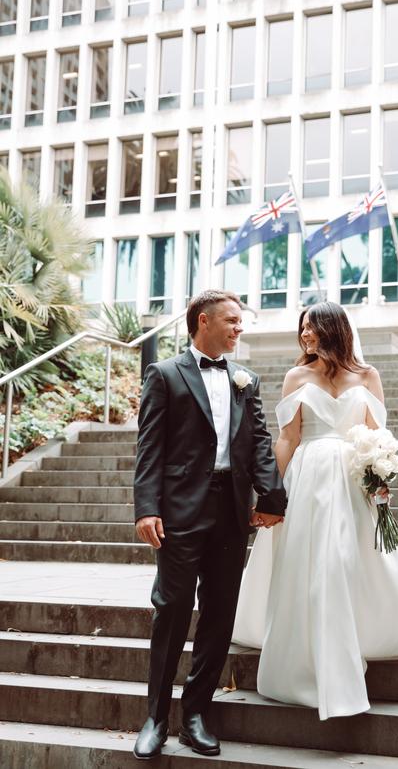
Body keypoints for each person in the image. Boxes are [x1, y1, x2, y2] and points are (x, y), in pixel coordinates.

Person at [233, 300, 398, 720]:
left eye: (312, 328)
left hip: (353, 480)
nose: (305, 336)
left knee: (343, 560)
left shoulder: (367, 375)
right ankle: (308, 659)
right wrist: (269, 495)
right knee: (312, 564)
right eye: (301, 329)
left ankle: (346, 641)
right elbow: (287, 439)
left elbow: (378, 435)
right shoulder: (295, 376)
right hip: (308, 481)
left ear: (333, 329)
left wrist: (380, 479)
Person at [133, 289, 286, 760]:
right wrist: (146, 507)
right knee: (172, 608)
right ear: (203, 321)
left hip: (231, 512)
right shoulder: (164, 374)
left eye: (241, 322)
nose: (240, 328)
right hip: (179, 511)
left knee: (220, 614)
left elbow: (260, 441)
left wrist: (273, 496)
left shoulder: (246, 379)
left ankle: (195, 715)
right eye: (233, 321)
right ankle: (155, 718)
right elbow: (149, 446)